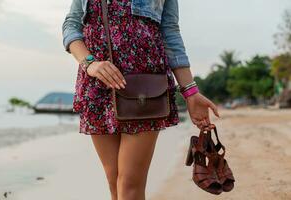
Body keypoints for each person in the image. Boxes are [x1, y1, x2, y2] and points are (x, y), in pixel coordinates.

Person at [62, 0, 219, 199]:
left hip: (146, 87)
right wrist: (89, 63)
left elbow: (170, 34)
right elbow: (71, 25)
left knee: (129, 184)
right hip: (98, 84)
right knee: (114, 180)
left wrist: (190, 92)